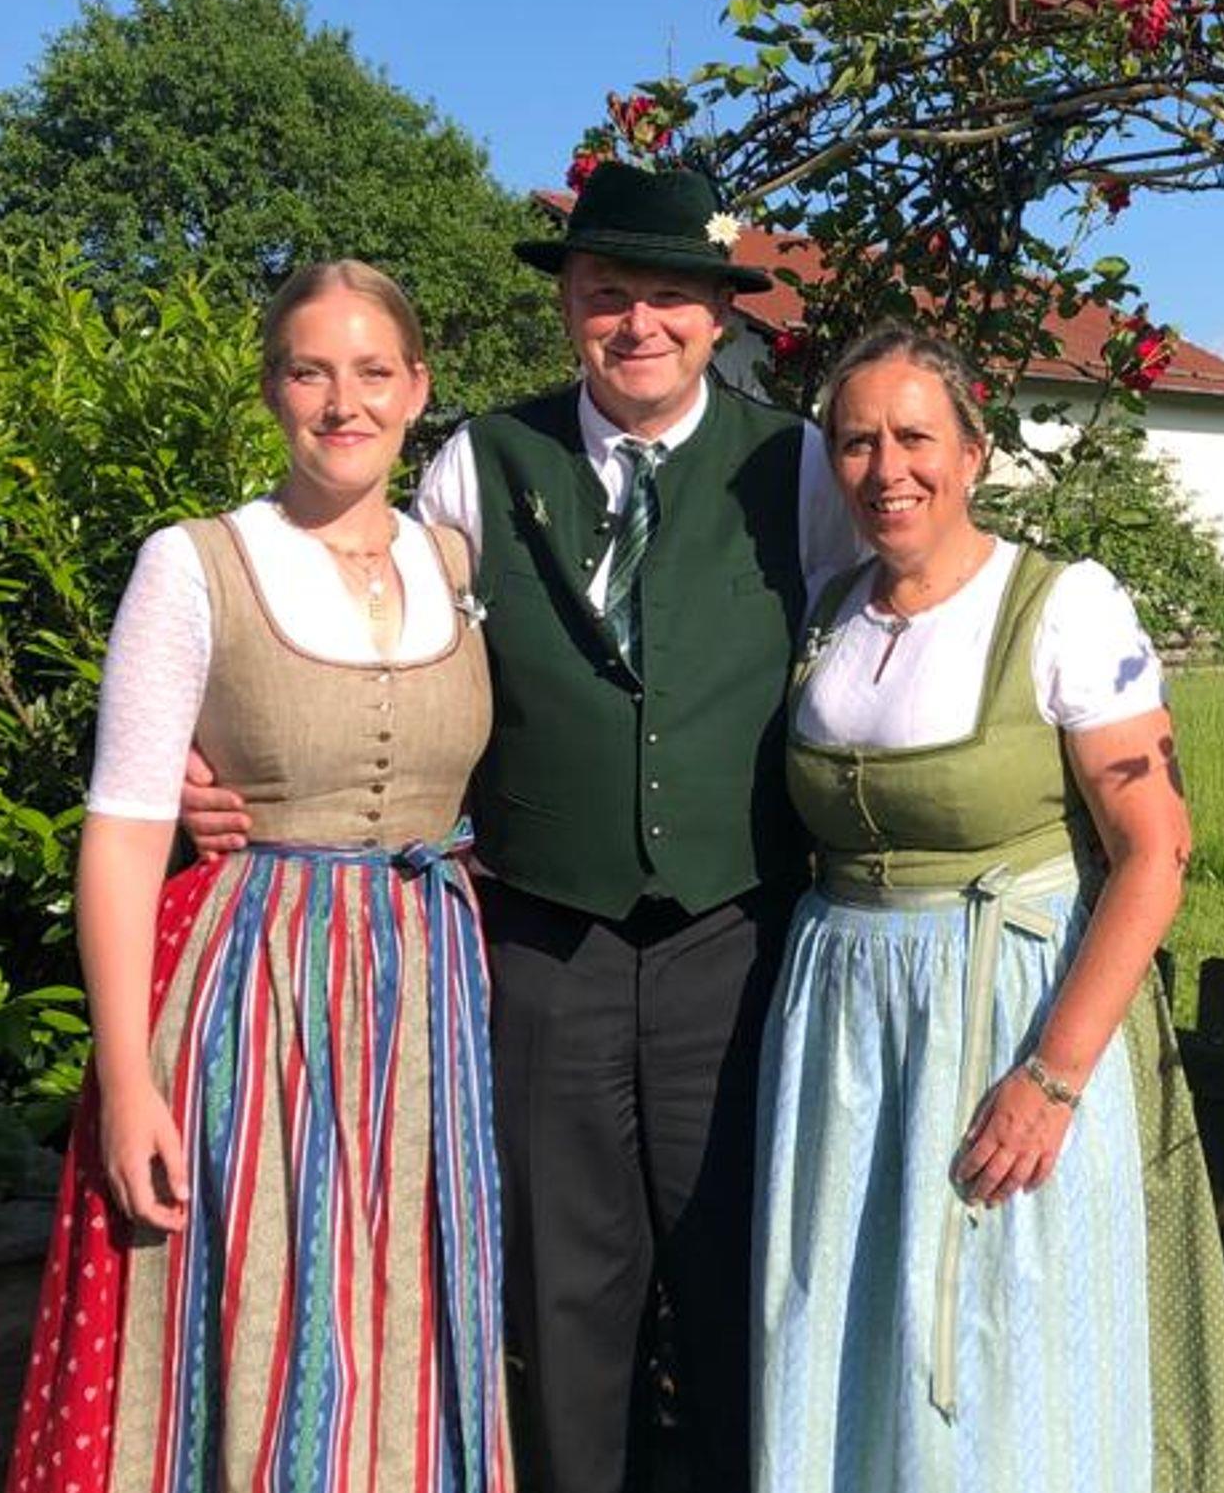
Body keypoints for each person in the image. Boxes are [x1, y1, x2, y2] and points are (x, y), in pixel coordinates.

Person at [181, 162, 856, 1491]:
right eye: (608, 293)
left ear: (721, 314)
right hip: (543, 942)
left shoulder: (798, 468)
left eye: (669, 295)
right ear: (568, 308)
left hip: (739, 938)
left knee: (745, 1281)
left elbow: (892, 631)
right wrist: (224, 760)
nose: (637, 322)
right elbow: (372, 635)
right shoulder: (479, 463)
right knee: (559, 1298)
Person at [10, 261, 511, 1493]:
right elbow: (125, 826)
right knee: (256, 1309)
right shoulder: (194, 564)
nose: (344, 402)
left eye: (372, 372)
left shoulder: (455, 561)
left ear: (417, 389)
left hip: (429, 998)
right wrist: (125, 1082)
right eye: (309, 371)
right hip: (253, 994)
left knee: (407, 1316)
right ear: (271, 388)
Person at [753, 324, 1224, 1492]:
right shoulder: (828, 612)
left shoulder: (1063, 605)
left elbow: (1154, 849)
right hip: (844, 1036)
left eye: (915, 436)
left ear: (973, 451)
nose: (887, 468)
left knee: (998, 1345)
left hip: (1005, 1019)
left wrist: (1052, 1076)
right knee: (844, 1321)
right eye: (856, 442)